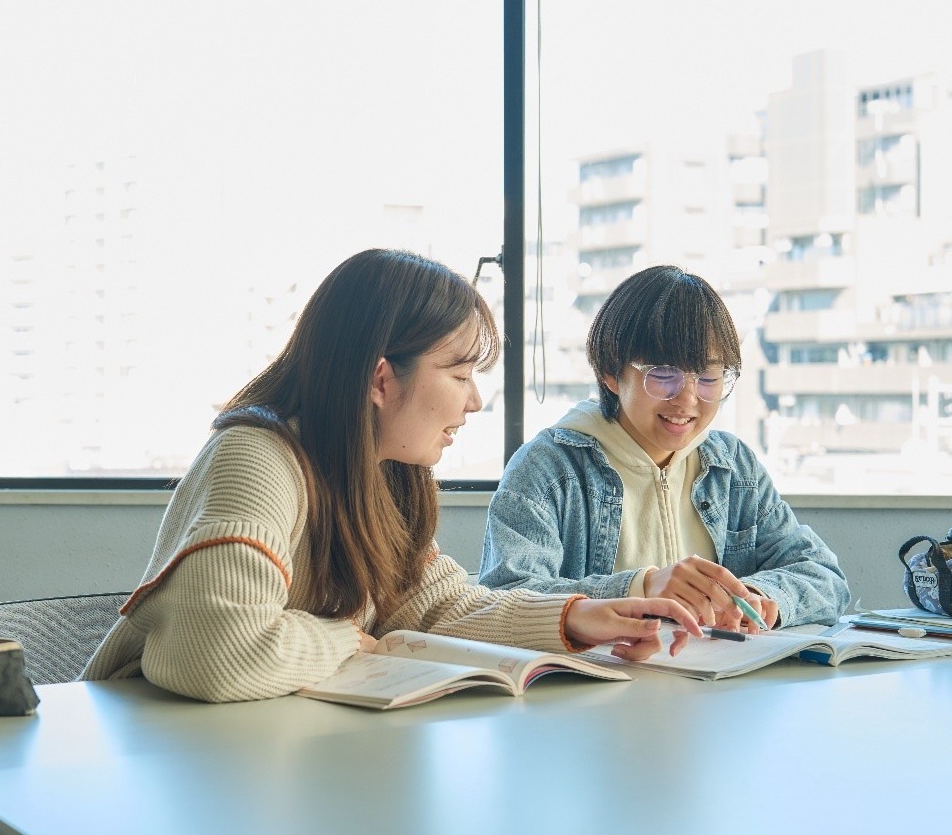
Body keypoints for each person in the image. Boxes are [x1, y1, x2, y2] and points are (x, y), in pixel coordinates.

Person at [82, 249, 701, 702]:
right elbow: (214, 656)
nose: (475, 401)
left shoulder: (387, 474)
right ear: (382, 379)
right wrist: (347, 638)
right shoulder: (258, 457)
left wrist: (572, 619)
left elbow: (436, 607)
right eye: (460, 376)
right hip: (154, 754)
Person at [480, 265, 849, 631]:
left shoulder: (733, 467)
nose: (687, 400)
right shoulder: (549, 469)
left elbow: (823, 575)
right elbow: (506, 601)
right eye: (663, 375)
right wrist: (641, 588)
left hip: (720, 686)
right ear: (610, 372)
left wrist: (755, 595)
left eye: (708, 378)